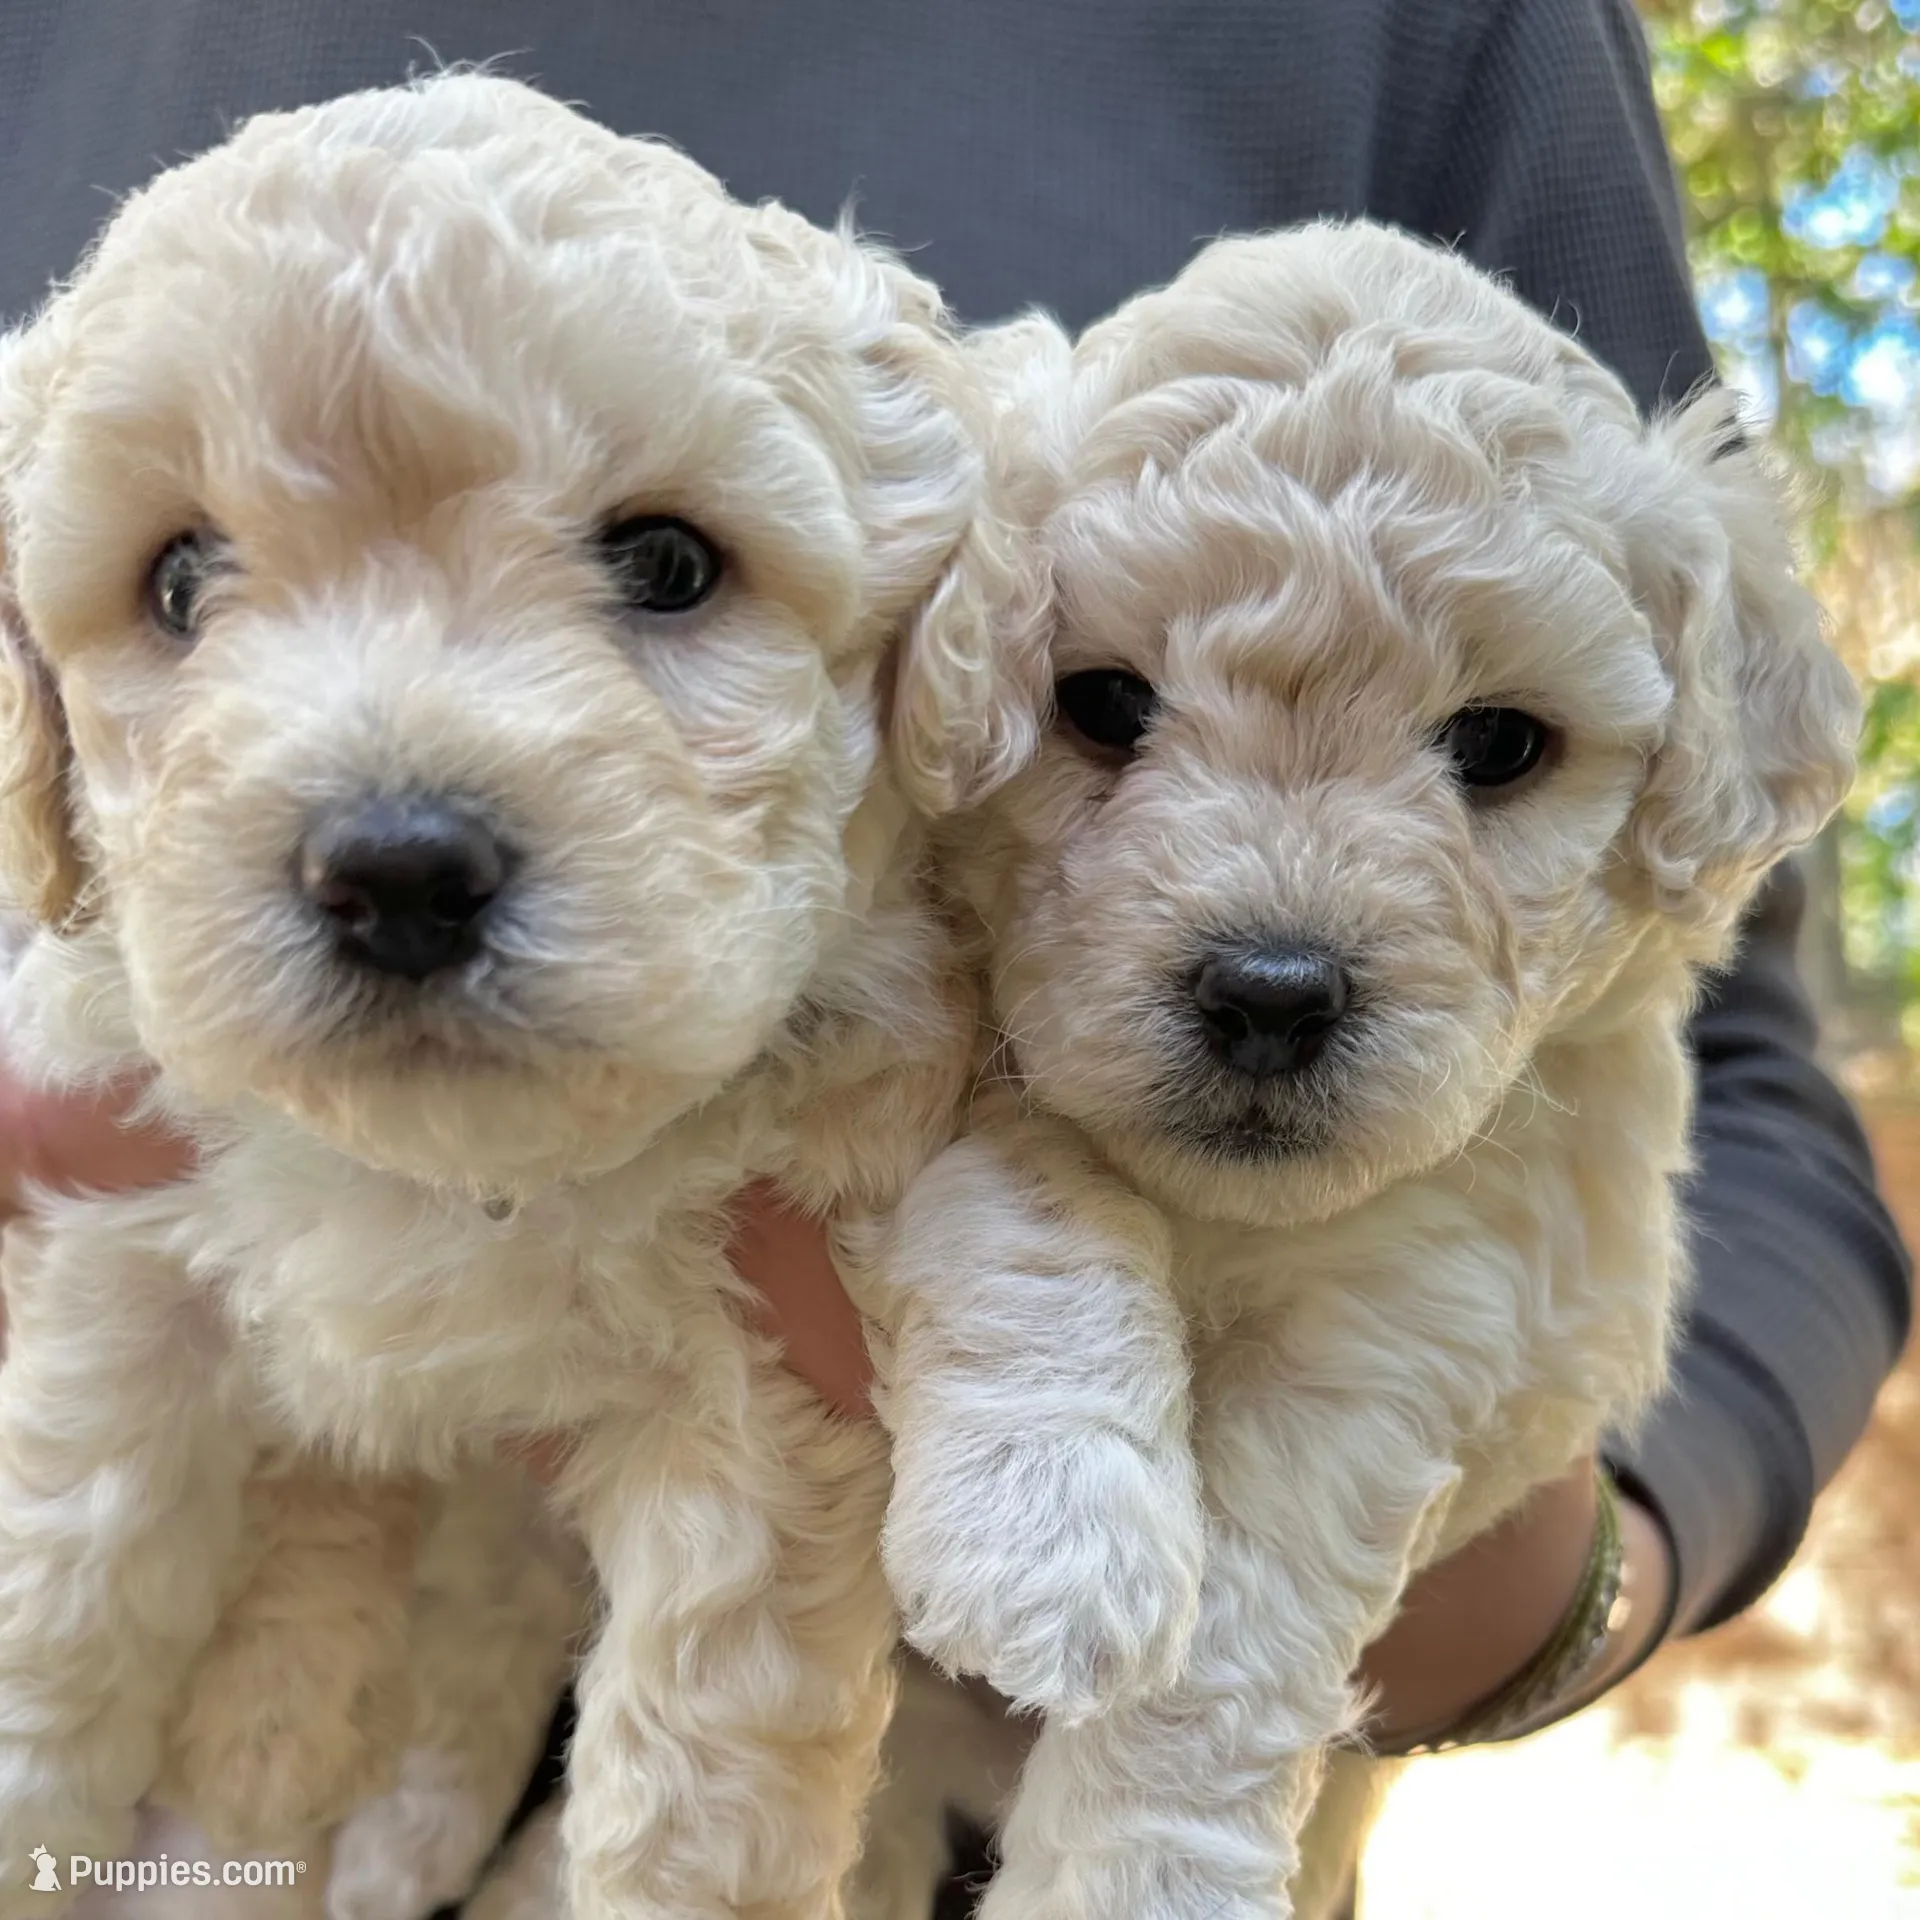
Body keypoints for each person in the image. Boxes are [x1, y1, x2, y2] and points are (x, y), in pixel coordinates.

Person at [0, 0, 1908, 1910]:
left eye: (662, 567)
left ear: (940, 637)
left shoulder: (1424, 40)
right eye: (190, 581)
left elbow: (1740, 1066)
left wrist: (1563, 1587)